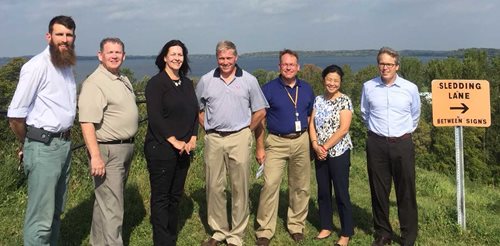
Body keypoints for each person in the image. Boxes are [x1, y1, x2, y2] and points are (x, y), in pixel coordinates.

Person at [7, 15, 77, 245]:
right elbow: (16, 115)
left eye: (68, 35)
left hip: (63, 145)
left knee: (56, 212)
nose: (64, 39)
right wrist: (29, 142)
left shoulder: (65, 65)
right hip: (43, 147)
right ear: (49, 37)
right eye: (60, 34)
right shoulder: (36, 66)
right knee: (41, 220)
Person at [196, 40, 268, 246]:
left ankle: (236, 235)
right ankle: (219, 231)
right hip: (214, 138)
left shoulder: (249, 80)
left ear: (236, 58)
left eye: (229, 58)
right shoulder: (206, 80)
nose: (225, 62)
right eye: (221, 58)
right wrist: (208, 128)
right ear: (216, 58)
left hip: (239, 136)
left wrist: (247, 130)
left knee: (240, 187)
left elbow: (261, 110)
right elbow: (198, 109)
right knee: (214, 186)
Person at [78, 37, 139, 245]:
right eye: (109, 52)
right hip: (108, 151)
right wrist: (95, 156)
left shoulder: (122, 78)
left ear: (124, 56)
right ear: (100, 56)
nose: (114, 56)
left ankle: (98, 242)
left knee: (104, 203)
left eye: (118, 53)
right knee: (113, 207)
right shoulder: (95, 83)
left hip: (124, 147)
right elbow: (86, 122)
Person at [360, 47, 421, 246]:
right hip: (376, 143)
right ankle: (383, 233)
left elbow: (414, 116)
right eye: (382, 63)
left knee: (406, 191)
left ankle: (408, 236)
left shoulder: (409, 88)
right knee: (379, 190)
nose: (385, 67)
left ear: (397, 66)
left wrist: (402, 133)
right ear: (378, 64)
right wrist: (377, 134)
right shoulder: (368, 87)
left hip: (402, 143)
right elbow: (364, 113)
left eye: (389, 64)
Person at [254, 49, 315, 246]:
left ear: (298, 67)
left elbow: (309, 117)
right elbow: (261, 120)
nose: (288, 67)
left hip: (301, 140)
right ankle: (265, 230)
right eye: (284, 64)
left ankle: (296, 225)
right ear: (279, 67)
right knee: (270, 185)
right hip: (277, 142)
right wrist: (260, 147)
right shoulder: (269, 89)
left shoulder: (306, 88)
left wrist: (311, 141)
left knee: (301, 185)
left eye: (292, 64)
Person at [144, 40, 198, 245]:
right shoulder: (156, 83)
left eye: (180, 54)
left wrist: (193, 138)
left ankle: (171, 237)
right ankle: (162, 241)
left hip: (185, 149)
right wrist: (173, 141)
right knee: (161, 198)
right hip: (162, 149)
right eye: (173, 54)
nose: (177, 58)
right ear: (164, 57)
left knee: (176, 196)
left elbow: (194, 113)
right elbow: (156, 117)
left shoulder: (186, 83)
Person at [309, 65, 354, 246]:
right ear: (323, 80)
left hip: (339, 152)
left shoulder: (345, 101)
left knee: (341, 193)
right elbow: (311, 123)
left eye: (336, 80)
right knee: (323, 191)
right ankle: (326, 226)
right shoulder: (318, 100)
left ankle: (346, 232)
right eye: (329, 79)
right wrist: (315, 145)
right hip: (320, 152)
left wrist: (325, 147)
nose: (332, 83)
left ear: (340, 82)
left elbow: (343, 129)